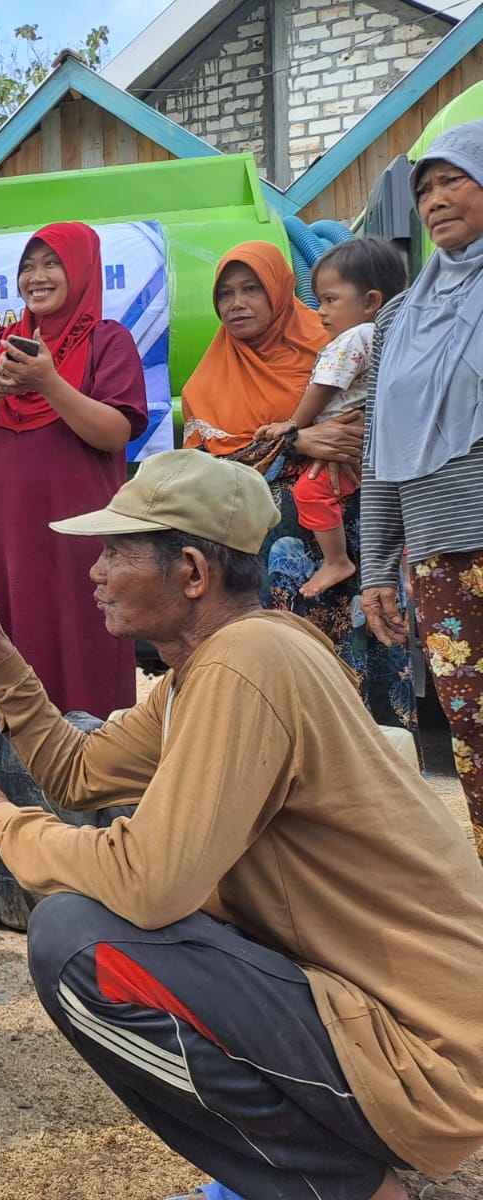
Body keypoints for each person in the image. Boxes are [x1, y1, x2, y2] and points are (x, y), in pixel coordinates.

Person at [0, 450, 483, 1200]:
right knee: (104, 910)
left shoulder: (247, 662)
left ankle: (342, 1186)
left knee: (77, 946)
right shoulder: (210, 666)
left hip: (423, 1062)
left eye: (114, 552)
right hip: (390, 1021)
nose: (94, 572)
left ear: (194, 573)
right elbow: (80, 773)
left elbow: (151, 883)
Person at [183, 240, 412, 728]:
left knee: (375, 664)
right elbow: (202, 480)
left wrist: (357, 434)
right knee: (283, 691)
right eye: (225, 293)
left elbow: (397, 416)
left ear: (281, 292)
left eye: (251, 289)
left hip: (367, 533)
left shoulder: (340, 341)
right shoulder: (206, 382)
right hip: (268, 559)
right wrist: (298, 441)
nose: (236, 303)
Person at [0, 221, 147, 715]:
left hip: (76, 533)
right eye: (27, 267)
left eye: (52, 263)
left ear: (81, 271)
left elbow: (116, 433)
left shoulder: (107, 341)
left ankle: (86, 765)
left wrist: (49, 382)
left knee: (78, 635)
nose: (38, 276)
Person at [362, 120, 483, 862]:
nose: (436, 199)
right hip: (436, 554)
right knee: (471, 735)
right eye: (424, 188)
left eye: (454, 179)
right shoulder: (399, 319)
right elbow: (379, 451)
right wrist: (377, 565)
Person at [255, 239, 406, 598]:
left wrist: (293, 427)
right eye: (319, 299)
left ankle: (337, 559)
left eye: (330, 300)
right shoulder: (393, 337)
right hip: (368, 468)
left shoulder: (351, 338)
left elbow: (324, 386)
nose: (320, 311)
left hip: (348, 466)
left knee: (313, 491)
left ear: (371, 301)